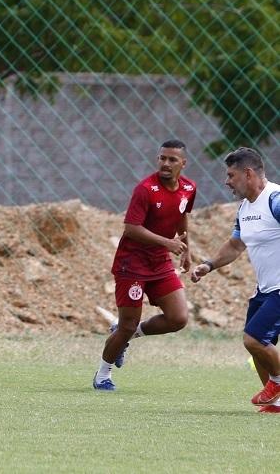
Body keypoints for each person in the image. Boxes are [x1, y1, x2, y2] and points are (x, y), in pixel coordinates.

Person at [93, 139, 195, 391]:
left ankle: (127, 334)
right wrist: (167, 243)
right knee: (127, 323)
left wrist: (186, 249)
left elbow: (182, 215)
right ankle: (102, 375)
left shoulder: (189, 188)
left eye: (172, 160)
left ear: (183, 163)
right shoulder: (145, 189)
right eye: (162, 158)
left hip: (159, 262)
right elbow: (131, 228)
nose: (166, 163)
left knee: (178, 318)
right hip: (133, 263)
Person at [190, 147, 280, 413]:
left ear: (248, 173)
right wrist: (208, 265)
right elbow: (235, 245)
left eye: (231, 175)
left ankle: (277, 382)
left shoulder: (274, 200)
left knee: (254, 339)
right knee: (257, 348)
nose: (226, 181)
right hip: (265, 288)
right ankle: (275, 403)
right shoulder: (244, 208)